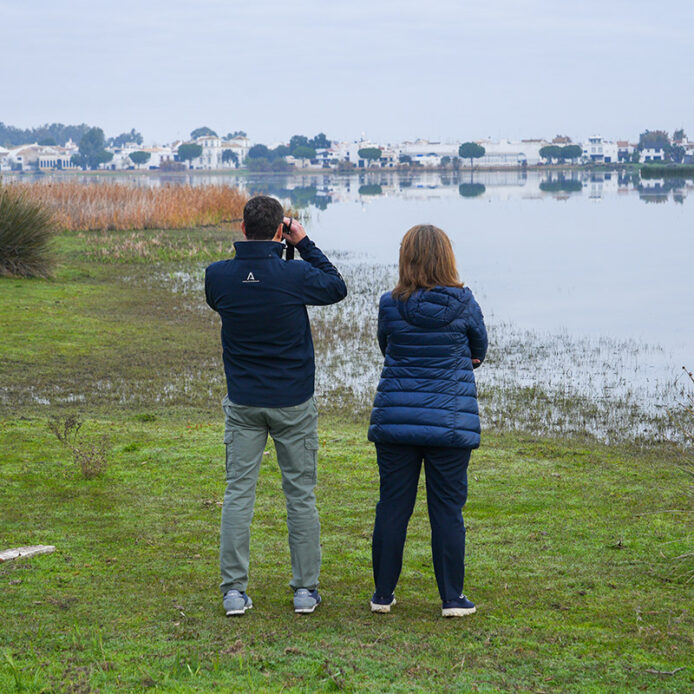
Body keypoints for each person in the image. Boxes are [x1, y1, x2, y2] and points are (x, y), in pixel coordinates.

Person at [205, 195, 347, 616]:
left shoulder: (218, 277)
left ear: (243, 229)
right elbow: (336, 286)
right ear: (278, 231)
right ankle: (305, 590)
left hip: (245, 401)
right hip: (293, 401)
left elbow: (232, 295)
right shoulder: (294, 274)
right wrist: (302, 243)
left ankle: (234, 591)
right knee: (300, 495)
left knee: (238, 494)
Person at [367, 224, 488, 617]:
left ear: (406, 259)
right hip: (450, 424)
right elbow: (479, 349)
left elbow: (387, 346)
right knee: (447, 510)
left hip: (397, 421)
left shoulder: (390, 303)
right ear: (447, 257)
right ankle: (452, 598)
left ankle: (382, 595)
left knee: (392, 506)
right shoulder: (465, 302)